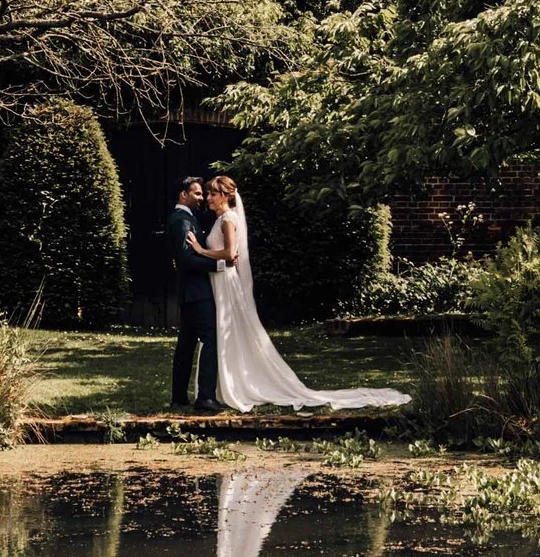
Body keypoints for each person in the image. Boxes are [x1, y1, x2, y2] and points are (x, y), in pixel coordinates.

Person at [187, 175, 411, 411]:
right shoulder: (220, 218)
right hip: (217, 281)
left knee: (227, 332)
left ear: (226, 196)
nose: (209, 198)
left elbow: (230, 254)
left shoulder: (228, 220)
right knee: (222, 334)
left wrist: (201, 250)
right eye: (209, 193)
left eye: (213, 193)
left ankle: (237, 384)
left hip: (225, 283)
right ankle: (222, 385)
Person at [167, 175, 223, 411]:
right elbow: (187, 259)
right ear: (184, 194)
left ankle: (179, 396)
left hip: (190, 292)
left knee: (187, 343)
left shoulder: (187, 218)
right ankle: (206, 397)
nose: (202, 198)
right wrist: (219, 265)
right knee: (210, 338)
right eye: (197, 193)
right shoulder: (181, 220)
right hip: (196, 292)